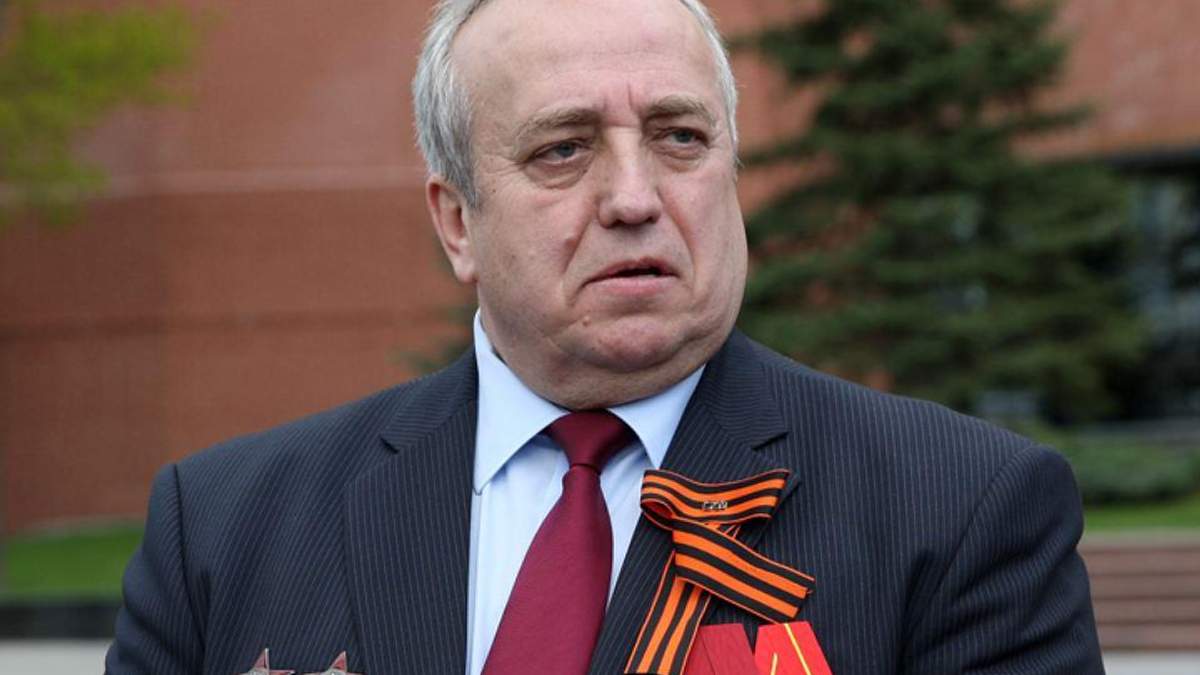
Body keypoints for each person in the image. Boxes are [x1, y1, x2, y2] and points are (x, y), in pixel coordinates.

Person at [105, 0, 1105, 672]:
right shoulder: (222, 528)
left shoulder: (961, 511)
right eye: (563, 148)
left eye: (680, 137)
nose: (635, 198)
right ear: (457, 223)